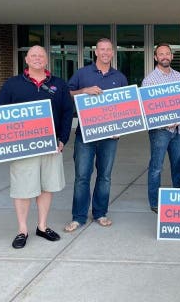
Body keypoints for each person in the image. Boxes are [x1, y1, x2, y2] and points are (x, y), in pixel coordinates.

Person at [0, 45, 73, 249]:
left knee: (47, 187)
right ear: (26, 59)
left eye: (41, 56)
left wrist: (62, 139)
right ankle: (22, 230)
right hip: (23, 148)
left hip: (51, 146)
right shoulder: (12, 84)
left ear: (46, 60)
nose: (37, 58)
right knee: (23, 189)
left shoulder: (58, 84)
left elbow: (66, 112)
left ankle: (42, 226)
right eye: (33, 55)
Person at [65, 38, 128, 231]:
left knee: (105, 177)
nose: (105, 53)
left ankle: (100, 213)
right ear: (96, 52)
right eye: (102, 49)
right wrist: (84, 91)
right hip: (85, 134)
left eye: (109, 49)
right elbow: (66, 94)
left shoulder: (120, 77)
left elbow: (126, 107)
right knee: (82, 176)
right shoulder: (82, 73)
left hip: (110, 137)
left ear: (112, 52)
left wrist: (121, 129)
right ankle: (78, 217)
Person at [142, 43, 180, 213]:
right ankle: (155, 202)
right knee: (156, 167)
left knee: (178, 165)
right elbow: (148, 109)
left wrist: (178, 118)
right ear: (155, 57)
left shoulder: (179, 77)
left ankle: (179, 199)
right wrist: (165, 121)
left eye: (167, 53)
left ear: (172, 56)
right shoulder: (149, 80)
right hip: (160, 131)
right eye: (161, 54)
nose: (165, 56)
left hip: (178, 130)